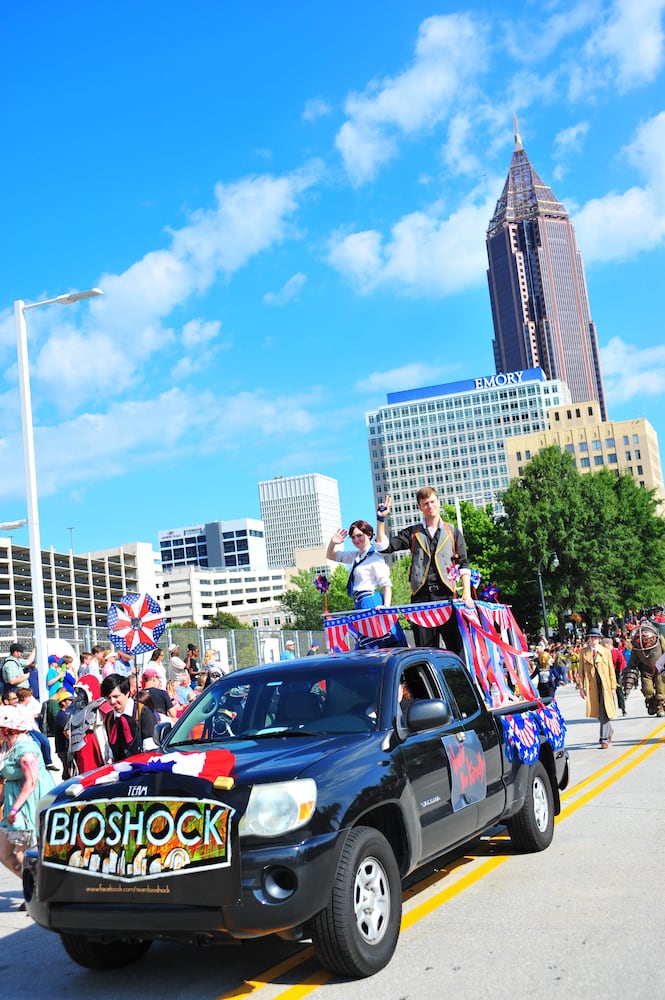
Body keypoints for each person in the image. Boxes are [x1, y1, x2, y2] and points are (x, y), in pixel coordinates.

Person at [374, 487, 474, 648]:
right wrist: (380, 520)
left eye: (433, 502)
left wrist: (467, 594)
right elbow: (384, 547)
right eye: (425, 503)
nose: (430, 506)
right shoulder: (412, 532)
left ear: (439, 502)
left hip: (447, 596)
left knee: (456, 648)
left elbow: (463, 564)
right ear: (420, 507)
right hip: (421, 597)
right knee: (426, 649)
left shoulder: (453, 532)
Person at [0, 706, 56, 883]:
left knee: (27, 853)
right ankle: (35, 887)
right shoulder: (6, 745)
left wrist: (14, 810)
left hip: (29, 802)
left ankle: (39, 891)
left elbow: (31, 782)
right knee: (3, 852)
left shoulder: (26, 749)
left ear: (6, 727)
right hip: (14, 801)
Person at [327, 521, 392, 610]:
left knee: (375, 624)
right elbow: (331, 556)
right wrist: (332, 543)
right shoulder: (355, 555)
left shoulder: (375, 557)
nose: (356, 540)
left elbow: (386, 584)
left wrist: (386, 607)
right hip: (358, 601)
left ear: (369, 534)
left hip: (370, 600)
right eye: (353, 537)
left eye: (359, 535)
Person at [100, 673, 158, 762]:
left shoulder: (143, 713)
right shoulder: (110, 719)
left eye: (116, 696)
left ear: (127, 693)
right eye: (108, 698)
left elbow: (150, 750)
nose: (112, 701)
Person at [577, 627, 617, 748]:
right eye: (591, 637)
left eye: (595, 637)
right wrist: (581, 687)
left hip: (605, 685)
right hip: (592, 686)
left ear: (599, 639)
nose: (593, 639)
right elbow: (581, 671)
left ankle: (603, 739)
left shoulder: (606, 652)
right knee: (598, 712)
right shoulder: (583, 652)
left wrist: (613, 687)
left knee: (605, 710)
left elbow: (611, 670)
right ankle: (608, 730)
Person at [625, 620, 665, 717]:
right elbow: (633, 661)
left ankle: (660, 707)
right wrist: (630, 670)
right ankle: (651, 703)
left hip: (660, 670)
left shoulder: (660, 639)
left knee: (661, 691)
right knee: (648, 691)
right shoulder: (637, 646)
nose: (644, 641)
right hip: (646, 671)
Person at [15, 686, 58, 771]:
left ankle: (48, 762)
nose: (30, 698)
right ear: (24, 697)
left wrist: (39, 732)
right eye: (29, 696)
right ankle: (38, 763)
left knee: (44, 740)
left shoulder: (28, 708)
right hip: (24, 731)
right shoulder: (17, 708)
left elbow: (32, 721)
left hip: (32, 729)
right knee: (37, 743)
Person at [602, 637, 627, 716]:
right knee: (608, 693)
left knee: (619, 691)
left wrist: (620, 671)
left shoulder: (616, 652)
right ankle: (611, 709)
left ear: (608, 644)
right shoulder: (603, 653)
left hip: (616, 673)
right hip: (606, 674)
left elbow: (622, 662)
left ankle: (623, 708)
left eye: (603, 645)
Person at [53, 689, 74, 777]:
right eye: (70, 700)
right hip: (64, 748)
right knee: (68, 770)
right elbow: (66, 732)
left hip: (64, 748)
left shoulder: (67, 713)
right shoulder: (62, 715)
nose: (72, 702)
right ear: (63, 702)